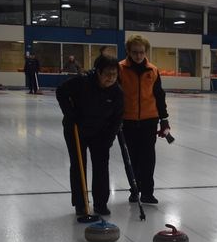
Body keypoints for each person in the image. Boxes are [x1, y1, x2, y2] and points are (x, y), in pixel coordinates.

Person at [56, 55, 124, 216]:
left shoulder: (117, 92)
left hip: (100, 132)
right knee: (79, 165)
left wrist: (109, 138)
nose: (111, 78)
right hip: (76, 129)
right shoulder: (82, 82)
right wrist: (69, 113)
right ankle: (80, 203)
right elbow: (61, 92)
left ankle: (101, 203)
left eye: (114, 74)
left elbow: (117, 118)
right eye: (107, 74)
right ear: (98, 72)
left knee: (101, 166)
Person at [118, 35, 169, 204]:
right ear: (128, 51)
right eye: (135, 52)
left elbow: (159, 96)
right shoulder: (120, 69)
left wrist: (164, 120)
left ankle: (147, 192)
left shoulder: (152, 70)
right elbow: (116, 95)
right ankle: (134, 189)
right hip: (127, 121)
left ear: (146, 52)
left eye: (141, 52)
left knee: (148, 158)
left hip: (149, 120)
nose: (138, 56)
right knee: (131, 158)